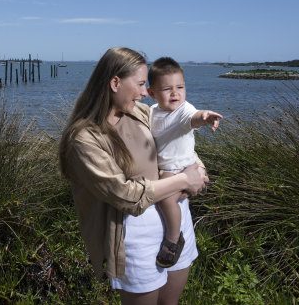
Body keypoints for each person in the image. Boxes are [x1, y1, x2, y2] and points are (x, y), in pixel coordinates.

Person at [58, 47, 209, 304]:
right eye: (140, 84)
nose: (143, 92)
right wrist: (185, 180)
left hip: (178, 225)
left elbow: (174, 141)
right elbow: (124, 195)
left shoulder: (138, 112)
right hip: (136, 240)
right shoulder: (85, 138)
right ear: (115, 82)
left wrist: (198, 167)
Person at [146, 57, 223, 268]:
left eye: (180, 87)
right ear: (152, 93)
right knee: (169, 193)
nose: (175, 93)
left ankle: (173, 238)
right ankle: (191, 190)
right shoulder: (152, 112)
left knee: (165, 199)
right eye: (167, 89)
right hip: (168, 166)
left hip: (181, 165)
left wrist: (205, 116)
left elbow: (193, 117)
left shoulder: (183, 110)